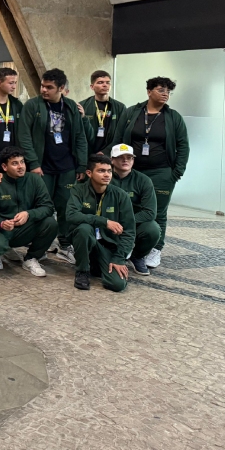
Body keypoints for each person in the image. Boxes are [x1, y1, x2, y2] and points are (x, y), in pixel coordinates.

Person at [112, 77, 188, 269]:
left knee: (158, 212)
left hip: (161, 172)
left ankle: (155, 248)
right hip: (132, 171)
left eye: (168, 91)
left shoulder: (173, 117)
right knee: (128, 207)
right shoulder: (132, 112)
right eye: (161, 90)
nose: (165, 94)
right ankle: (129, 244)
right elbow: (119, 138)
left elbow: (183, 146)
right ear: (149, 91)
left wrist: (176, 173)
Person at [18, 68, 88, 265]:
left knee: (66, 207)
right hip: (42, 168)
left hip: (67, 167)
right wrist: (33, 163)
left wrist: (81, 165)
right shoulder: (32, 105)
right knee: (41, 208)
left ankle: (65, 245)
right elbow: (24, 136)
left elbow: (80, 136)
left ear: (61, 88)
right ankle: (39, 246)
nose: (44, 90)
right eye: (42, 86)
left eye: (49, 87)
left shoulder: (71, 106)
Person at [0, 146, 57, 276]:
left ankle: (31, 258)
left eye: (22, 162)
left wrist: (29, 214)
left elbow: (48, 207)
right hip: (0, 229)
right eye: (15, 163)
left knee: (50, 223)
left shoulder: (35, 180)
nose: (20, 167)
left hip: (23, 229)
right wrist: (1, 223)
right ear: (4, 167)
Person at [67, 154, 135, 292]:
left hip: (108, 245)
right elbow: (71, 215)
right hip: (87, 240)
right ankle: (82, 271)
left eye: (109, 171)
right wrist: (104, 221)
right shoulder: (78, 190)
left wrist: (119, 258)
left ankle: (96, 265)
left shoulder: (120, 195)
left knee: (117, 284)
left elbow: (129, 231)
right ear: (89, 173)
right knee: (84, 229)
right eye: (101, 171)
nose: (107, 175)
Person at [109, 143, 161, 276]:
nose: (125, 160)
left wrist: (125, 222)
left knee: (153, 229)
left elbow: (150, 212)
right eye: (121, 157)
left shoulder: (144, 180)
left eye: (129, 157)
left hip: (133, 223)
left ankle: (137, 256)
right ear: (112, 160)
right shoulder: (104, 176)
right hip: (108, 222)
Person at [80, 70, 126, 156]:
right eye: (100, 82)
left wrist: (107, 151)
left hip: (110, 153)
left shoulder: (120, 107)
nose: (105, 85)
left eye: (108, 82)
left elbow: (121, 134)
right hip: (88, 153)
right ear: (92, 86)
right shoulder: (83, 106)